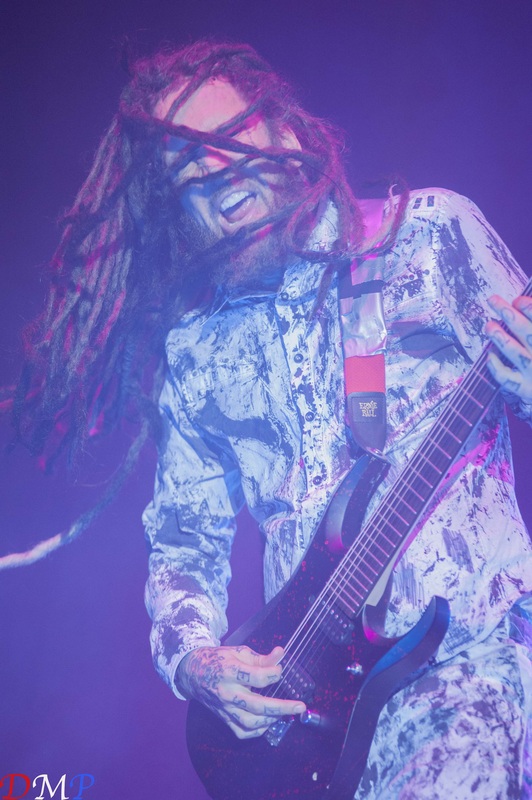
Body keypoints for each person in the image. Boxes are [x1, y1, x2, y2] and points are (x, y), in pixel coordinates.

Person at [9, 40, 532, 798]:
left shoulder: (425, 236)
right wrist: (196, 662)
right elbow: (184, 541)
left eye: (229, 141)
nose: (214, 174)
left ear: (286, 132)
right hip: (308, 721)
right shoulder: (196, 346)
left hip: (465, 671)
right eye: (187, 172)